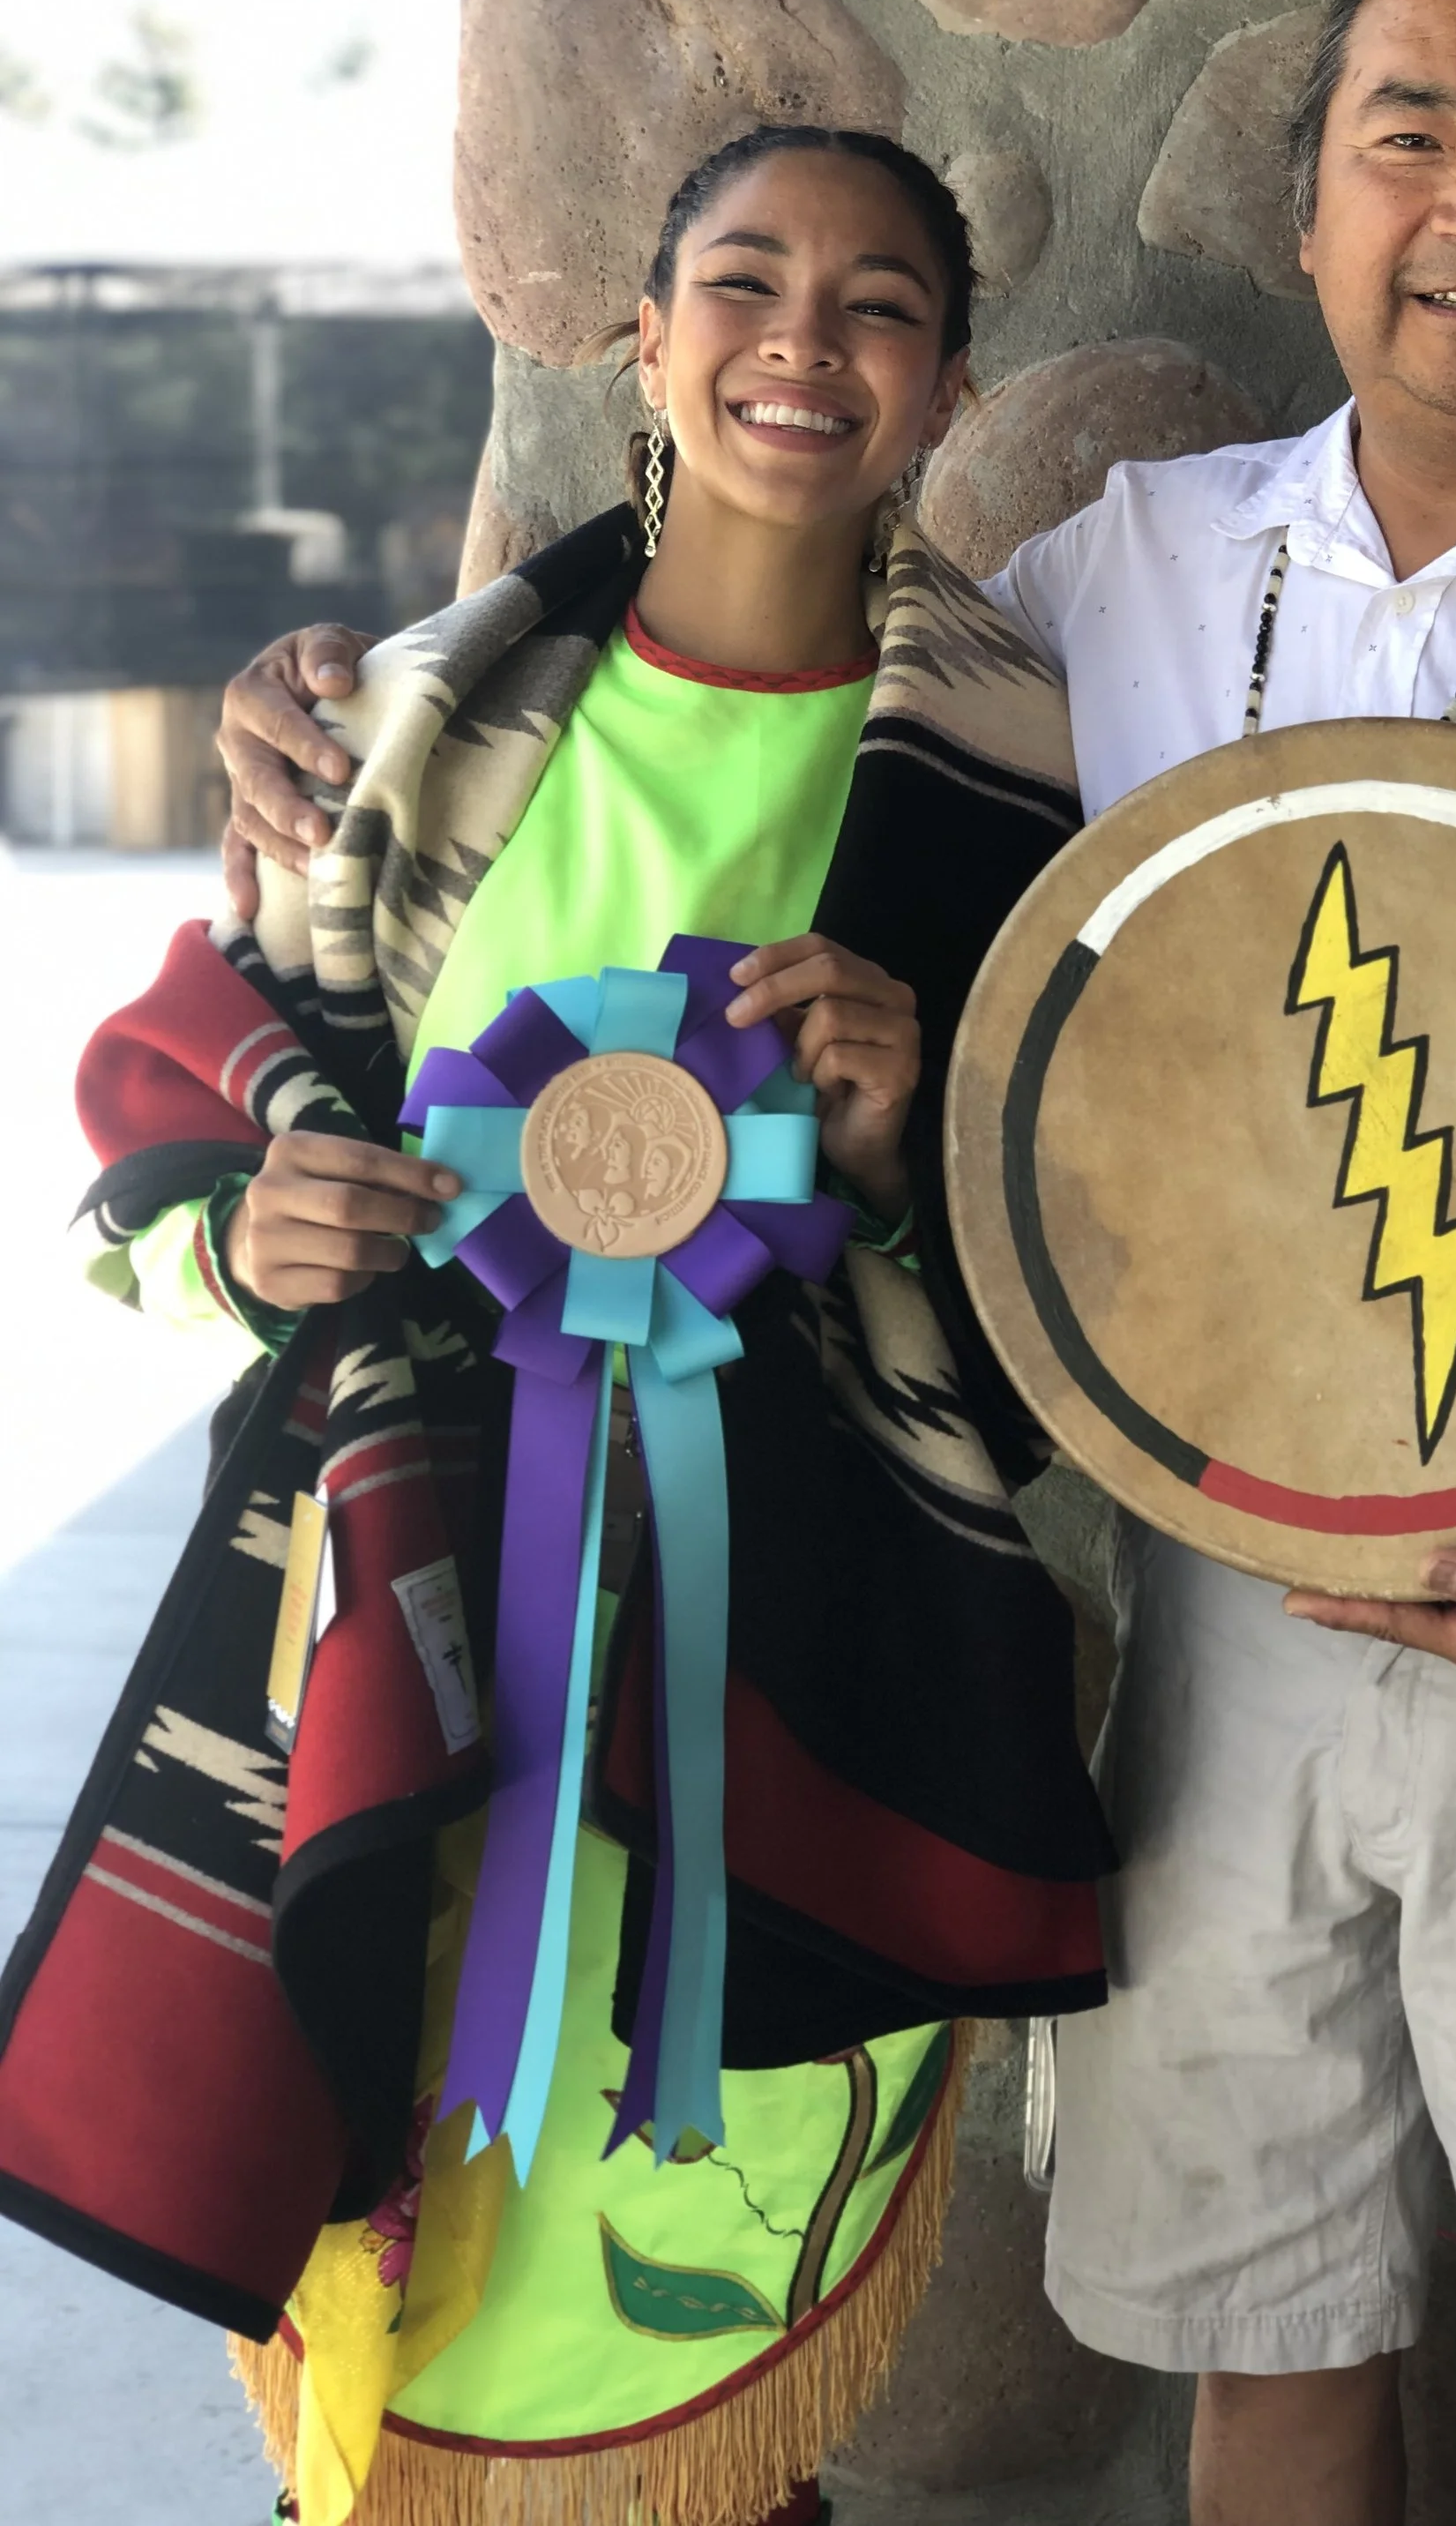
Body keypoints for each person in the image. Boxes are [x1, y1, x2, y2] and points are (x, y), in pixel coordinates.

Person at [213, 0, 1456, 2526]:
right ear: (1305, 205)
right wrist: (354, 708)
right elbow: (710, 706)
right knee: (1261, 2326)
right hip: (1212, 1615)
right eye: (1403, 135)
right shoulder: (1116, 582)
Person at [2, 127, 1115, 2526]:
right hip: (412, 1617)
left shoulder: (1022, 781)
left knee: (681, 2260)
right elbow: (200, 1076)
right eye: (742, 279)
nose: (800, 344)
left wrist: (924, 1144)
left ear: (945, 383)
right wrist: (241, 1233)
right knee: (406, 2255)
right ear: (643, 336)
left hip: (785, 1657)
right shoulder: (414, 717)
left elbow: (1094, 1266)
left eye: (877, 304)